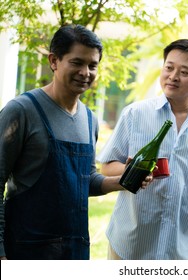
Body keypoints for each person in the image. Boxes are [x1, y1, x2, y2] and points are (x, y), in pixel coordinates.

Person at [0, 24, 151, 260]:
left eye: (92, 65)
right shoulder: (21, 111)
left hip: (75, 250)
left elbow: (85, 181)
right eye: (77, 62)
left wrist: (125, 180)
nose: (86, 72)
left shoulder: (89, 119)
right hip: (25, 248)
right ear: (54, 61)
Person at [97, 39, 188, 260]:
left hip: (184, 250)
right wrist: (129, 170)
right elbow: (107, 166)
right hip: (131, 244)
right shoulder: (135, 114)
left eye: (184, 71)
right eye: (169, 67)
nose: (173, 76)